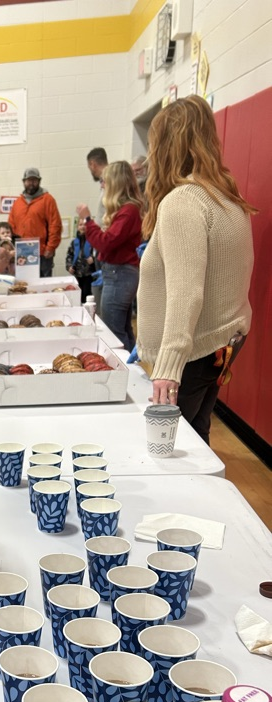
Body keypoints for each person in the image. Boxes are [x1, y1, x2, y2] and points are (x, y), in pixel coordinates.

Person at [136, 95, 255, 444]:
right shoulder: (226, 196)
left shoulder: (183, 202)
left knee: (168, 449)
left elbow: (186, 292)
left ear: (164, 146)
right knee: (196, 438)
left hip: (192, 356)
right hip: (220, 344)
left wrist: (168, 367)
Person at [77, 160, 143, 351]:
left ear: (115, 183)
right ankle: (131, 366)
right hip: (117, 273)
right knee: (122, 329)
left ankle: (125, 368)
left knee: (114, 332)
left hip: (120, 274)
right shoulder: (127, 210)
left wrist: (88, 220)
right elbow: (108, 240)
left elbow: (106, 242)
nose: (102, 186)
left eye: (105, 181)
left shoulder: (128, 211)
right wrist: (90, 228)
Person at [8, 168, 62, 278]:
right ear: (24, 182)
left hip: (42, 254)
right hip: (22, 253)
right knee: (24, 283)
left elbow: (55, 225)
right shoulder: (18, 203)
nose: (31, 183)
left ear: (39, 181)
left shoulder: (48, 200)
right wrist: (11, 247)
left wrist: (50, 247)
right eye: (29, 180)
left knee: (43, 284)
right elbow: (11, 226)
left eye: (34, 180)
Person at [65, 219, 98, 303]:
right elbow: (69, 256)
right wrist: (69, 266)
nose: (83, 227)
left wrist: (94, 260)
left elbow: (100, 255)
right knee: (77, 298)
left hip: (90, 275)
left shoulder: (94, 241)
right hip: (77, 275)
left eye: (85, 225)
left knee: (87, 298)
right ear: (77, 227)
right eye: (80, 225)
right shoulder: (74, 242)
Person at [86, 147, 109, 223]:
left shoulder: (111, 183)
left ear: (92, 164)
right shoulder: (105, 181)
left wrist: (87, 218)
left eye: (89, 167)